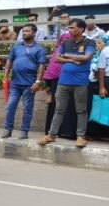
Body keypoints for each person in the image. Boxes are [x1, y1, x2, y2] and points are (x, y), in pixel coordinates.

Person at [38, 19, 96, 148]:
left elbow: (86, 57)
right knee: (59, 109)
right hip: (63, 81)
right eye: (69, 28)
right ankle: (51, 135)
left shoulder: (89, 42)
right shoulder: (66, 42)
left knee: (81, 110)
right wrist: (74, 59)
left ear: (81, 29)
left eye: (72, 28)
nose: (69, 30)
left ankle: (81, 137)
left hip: (80, 82)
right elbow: (57, 58)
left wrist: (66, 56)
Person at [2, 23, 47, 140]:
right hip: (15, 83)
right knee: (10, 106)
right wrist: (5, 76)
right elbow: (9, 61)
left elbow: (41, 66)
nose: (24, 33)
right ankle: (7, 129)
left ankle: (24, 131)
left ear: (34, 33)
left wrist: (38, 81)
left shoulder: (39, 49)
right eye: (23, 31)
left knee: (27, 108)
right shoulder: (16, 46)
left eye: (27, 31)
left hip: (29, 84)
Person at [43, 32, 77, 138]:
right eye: (63, 40)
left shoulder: (76, 51)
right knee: (55, 106)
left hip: (72, 81)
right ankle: (52, 130)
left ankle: (66, 132)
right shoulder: (57, 51)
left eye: (68, 40)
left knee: (69, 106)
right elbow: (51, 69)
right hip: (56, 82)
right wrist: (47, 84)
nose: (65, 42)